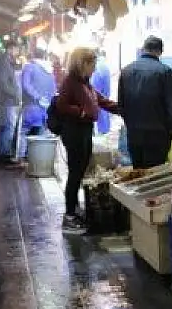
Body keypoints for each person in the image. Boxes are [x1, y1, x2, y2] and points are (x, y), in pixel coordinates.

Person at [55, 48, 118, 232]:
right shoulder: (71, 82)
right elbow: (61, 105)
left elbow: (101, 100)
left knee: (80, 170)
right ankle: (69, 216)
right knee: (75, 172)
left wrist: (123, 109)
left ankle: (74, 210)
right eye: (93, 64)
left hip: (84, 130)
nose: (95, 68)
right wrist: (81, 112)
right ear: (83, 64)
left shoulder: (85, 83)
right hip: (74, 131)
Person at [118, 36, 172, 168]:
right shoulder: (165, 71)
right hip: (157, 135)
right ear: (160, 52)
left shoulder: (126, 70)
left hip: (134, 133)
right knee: (153, 177)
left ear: (143, 49)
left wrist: (130, 124)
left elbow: (121, 105)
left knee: (138, 174)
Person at [18, 48, 56, 160]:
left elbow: (25, 85)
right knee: (38, 137)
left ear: (32, 55)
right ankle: (35, 159)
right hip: (45, 110)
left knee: (23, 133)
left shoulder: (29, 67)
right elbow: (53, 89)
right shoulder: (49, 70)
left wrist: (37, 97)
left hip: (31, 107)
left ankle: (21, 158)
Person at [0, 40, 22, 167]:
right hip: (7, 102)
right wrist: (15, 94)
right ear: (11, 49)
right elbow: (4, 84)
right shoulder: (4, 63)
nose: (18, 52)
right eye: (17, 49)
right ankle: (3, 156)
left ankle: (3, 155)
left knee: (5, 128)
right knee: (7, 128)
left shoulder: (6, 62)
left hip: (7, 101)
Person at [92, 51, 114, 135]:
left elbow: (95, 84)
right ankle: (104, 130)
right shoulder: (105, 66)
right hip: (105, 93)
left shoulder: (97, 66)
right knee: (105, 108)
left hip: (98, 92)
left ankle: (100, 131)